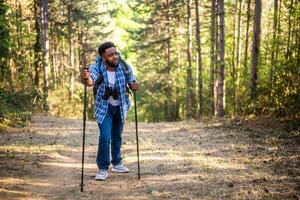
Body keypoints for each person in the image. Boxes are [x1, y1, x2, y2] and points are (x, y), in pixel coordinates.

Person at [81, 42, 139, 180]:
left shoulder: (124, 66)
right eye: (111, 54)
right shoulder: (97, 67)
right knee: (105, 137)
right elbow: (90, 82)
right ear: (103, 57)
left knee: (117, 135)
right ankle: (102, 168)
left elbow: (132, 82)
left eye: (116, 53)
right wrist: (85, 77)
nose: (115, 56)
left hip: (121, 106)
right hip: (104, 107)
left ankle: (117, 163)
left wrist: (135, 85)